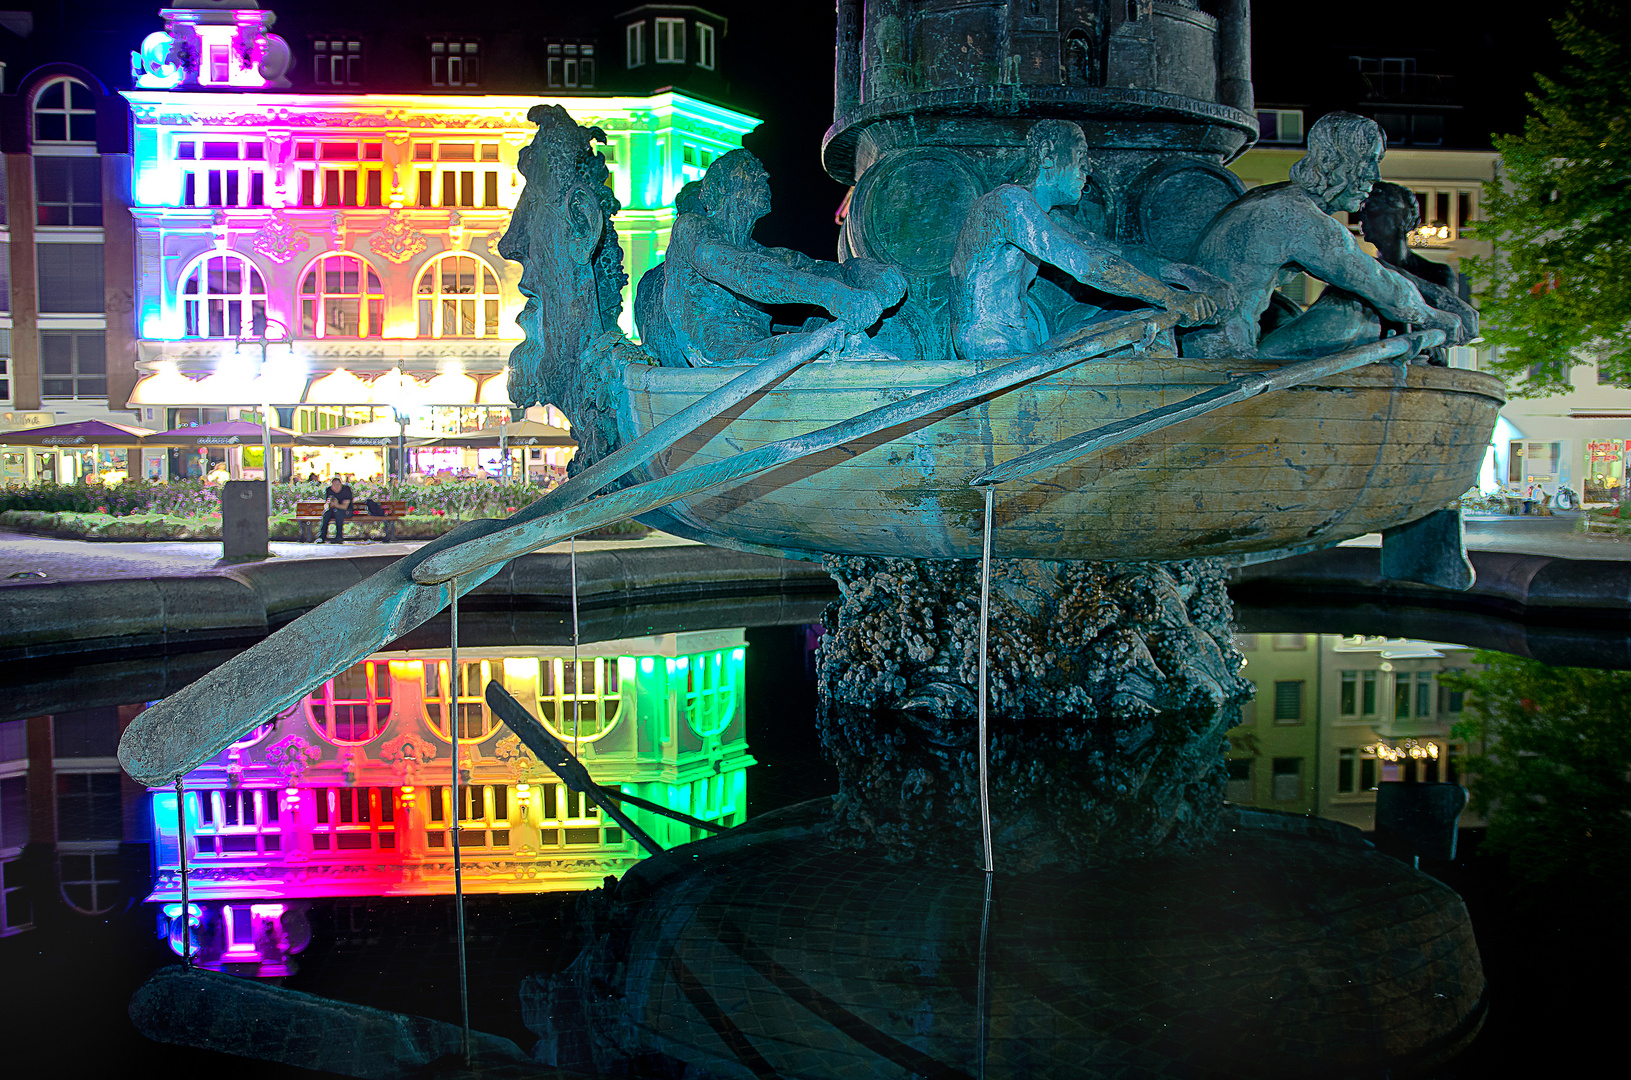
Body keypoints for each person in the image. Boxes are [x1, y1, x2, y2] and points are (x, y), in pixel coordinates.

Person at [1183, 112, 1465, 360]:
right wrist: (1437, 318)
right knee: (1355, 306)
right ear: (1335, 162)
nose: (1374, 175)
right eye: (1368, 160)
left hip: (1205, 342)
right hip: (1229, 354)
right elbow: (1380, 286)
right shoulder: (1298, 217)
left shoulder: (1274, 197)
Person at [950, 119, 1223, 361]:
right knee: (1151, 325)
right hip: (994, 354)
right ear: (1047, 155)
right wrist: (1170, 296)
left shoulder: (1048, 216)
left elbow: (1114, 252)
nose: (1088, 168)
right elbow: (1090, 264)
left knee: (1150, 321)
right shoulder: (1008, 202)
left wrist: (1187, 274)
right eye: (1080, 154)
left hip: (1025, 350)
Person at [657, 149, 907, 365]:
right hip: (722, 359)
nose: (765, 176)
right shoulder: (690, 228)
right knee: (834, 347)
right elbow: (743, 270)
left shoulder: (762, 253)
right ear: (721, 185)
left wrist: (868, 272)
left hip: (759, 355)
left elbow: (819, 269)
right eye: (751, 169)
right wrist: (833, 294)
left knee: (858, 337)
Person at [319, 475, 353, 543]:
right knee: (326, 514)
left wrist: (336, 505)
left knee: (338, 513)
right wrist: (329, 504)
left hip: (346, 511)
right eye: (334, 485)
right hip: (333, 510)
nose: (336, 487)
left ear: (341, 484)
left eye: (338, 485)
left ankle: (339, 537)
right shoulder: (329, 490)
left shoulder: (346, 489)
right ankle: (322, 537)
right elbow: (326, 505)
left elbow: (345, 506)